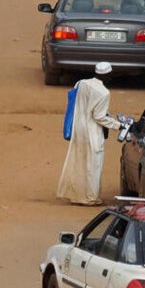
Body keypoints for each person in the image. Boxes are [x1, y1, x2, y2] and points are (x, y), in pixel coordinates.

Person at [56, 62, 121, 206]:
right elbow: (99, 116)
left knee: (78, 162)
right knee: (93, 165)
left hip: (78, 128)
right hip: (92, 132)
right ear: (108, 75)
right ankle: (90, 198)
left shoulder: (82, 83)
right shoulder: (104, 92)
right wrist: (118, 125)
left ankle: (76, 195)